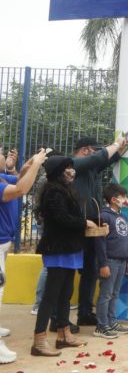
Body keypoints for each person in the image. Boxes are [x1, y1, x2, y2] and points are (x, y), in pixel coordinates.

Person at [32, 155, 95, 357]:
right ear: (58, 172)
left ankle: (63, 334)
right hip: (58, 249)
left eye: (71, 167)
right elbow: (61, 218)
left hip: (70, 248)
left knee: (66, 293)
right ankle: (39, 341)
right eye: (67, 168)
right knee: (51, 296)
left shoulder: (65, 189)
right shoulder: (53, 191)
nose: (71, 171)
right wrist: (84, 223)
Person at [72, 135, 128, 327]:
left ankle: (85, 313)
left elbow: (106, 159)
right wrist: (114, 144)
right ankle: (56, 317)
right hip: (74, 227)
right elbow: (100, 157)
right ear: (86, 150)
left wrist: (121, 148)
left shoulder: (90, 170)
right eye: (94, 151)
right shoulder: (74, 165)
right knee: (65, 274)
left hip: (91, 227)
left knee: (90, 272)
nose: (96, 154)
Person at [0, 148, 46, 363]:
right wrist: (36, 164)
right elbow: (20, 190)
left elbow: (18, 178)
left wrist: (30, 163)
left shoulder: (2, 177)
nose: (3, 155)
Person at [93, 184, 128, 339]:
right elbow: (100, 242)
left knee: (115, 293)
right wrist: (103, 264)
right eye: (123, 196)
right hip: (109, 261)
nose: (125, 199)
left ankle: (111, 321)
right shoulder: (104, 216)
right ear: (114, 199)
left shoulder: (122, 216)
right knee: (106, 294)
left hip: (122, 260)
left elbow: (126, 239)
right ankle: (101, 326)